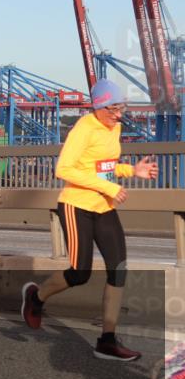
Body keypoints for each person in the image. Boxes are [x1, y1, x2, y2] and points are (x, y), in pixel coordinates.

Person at [21, 79, 158, 361]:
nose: (118, 115)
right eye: (113, 109)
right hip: (76, 207)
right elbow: (64, 169)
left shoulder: (114, 127)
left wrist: (132, 171)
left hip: (103, 207)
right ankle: (36, 298)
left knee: (118, 269)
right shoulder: (84, 128)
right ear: (98, 107)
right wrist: (108, 187)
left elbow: (104, 167)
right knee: (79, 274)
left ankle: (107, 341)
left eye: (121, 108)